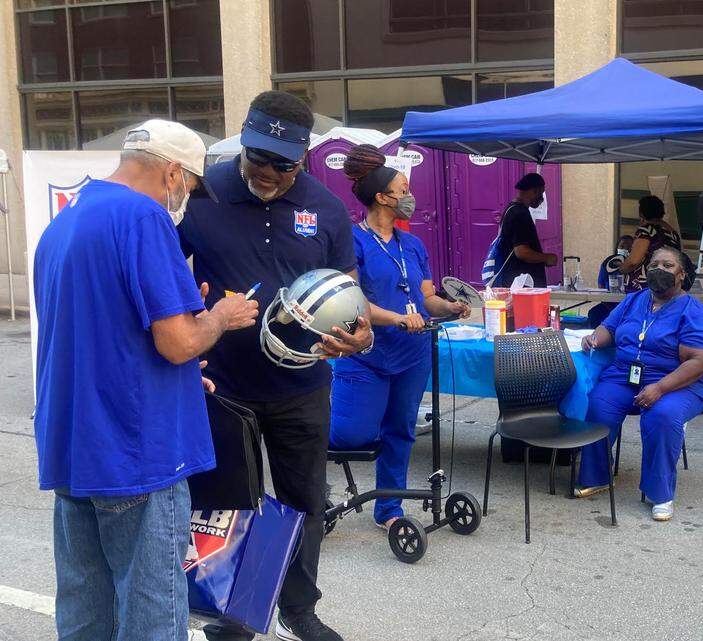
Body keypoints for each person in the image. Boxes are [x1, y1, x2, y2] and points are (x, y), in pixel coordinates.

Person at [34, 120, 259, 641]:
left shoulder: (66, 222)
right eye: (191, 185)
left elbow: (100, 337)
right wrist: (221, 315)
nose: (187, 197)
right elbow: (178, 342)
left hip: (73, 445)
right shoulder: (143, 217)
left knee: (86, 606)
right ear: (174, 171)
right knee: (152, 609)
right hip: (136, 453)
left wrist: (175, 380)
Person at [181, 91, 374, 641]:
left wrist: (357, 335)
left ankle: (299, 608)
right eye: (256, 156)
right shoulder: (204, 192)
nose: (265, 171)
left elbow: (347, 289)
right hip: (223, 382)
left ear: (304, 157)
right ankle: (234, 616)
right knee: (228, 505)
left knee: (303, 501)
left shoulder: (329, 208)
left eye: (281, 164)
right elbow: (165, 273)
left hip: (301, 384)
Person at [328, 145, 469, 529]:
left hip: (412, 353)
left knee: (401, 430)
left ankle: (388, 508)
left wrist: (449, 307)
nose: (409, 196)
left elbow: (425, 298)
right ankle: (301, 431)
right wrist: (397, 319)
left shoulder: (414, 244)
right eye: (402, 189)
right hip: (366, 352)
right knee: (352, 434)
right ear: (381, 197)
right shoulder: (352, 241)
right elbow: (353, 301)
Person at [576, 246, 703, 522]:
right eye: (654, 264)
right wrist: (594, 338)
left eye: (668, 265)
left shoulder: (694, 313)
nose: (659, 270)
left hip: (679, 383)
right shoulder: (634, 301)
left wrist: (661, 388)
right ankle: (597, 477)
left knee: (662, 415)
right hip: (625, 376)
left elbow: (700, 362)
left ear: (681, 275)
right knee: (599, 403)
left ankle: (660, 493)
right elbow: (609, 327)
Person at [492, 173, 556, 287]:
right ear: (534, 191)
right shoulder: (519, 213)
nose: (541, 199)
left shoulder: (511, 208)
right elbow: (522, 252)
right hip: (522, 285)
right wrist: (546, 258)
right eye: (541, 193)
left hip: (515, 281)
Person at [620, 195, 682, 292]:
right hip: (669, 282)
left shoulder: (646, 231)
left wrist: (621, 268)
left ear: (641, 213)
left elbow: (633, 261)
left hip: (646, 285)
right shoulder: (671, 232)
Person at [588, 234, 634, 328]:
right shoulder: (608, 263)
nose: (625, 249)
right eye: (622, 246)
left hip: (629, 305)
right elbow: (601, 285)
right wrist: (607, 300)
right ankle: (593, 339)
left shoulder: (635, 265)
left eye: (629, 247)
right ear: (617, 247)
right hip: (609, 304)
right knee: (594, 313)